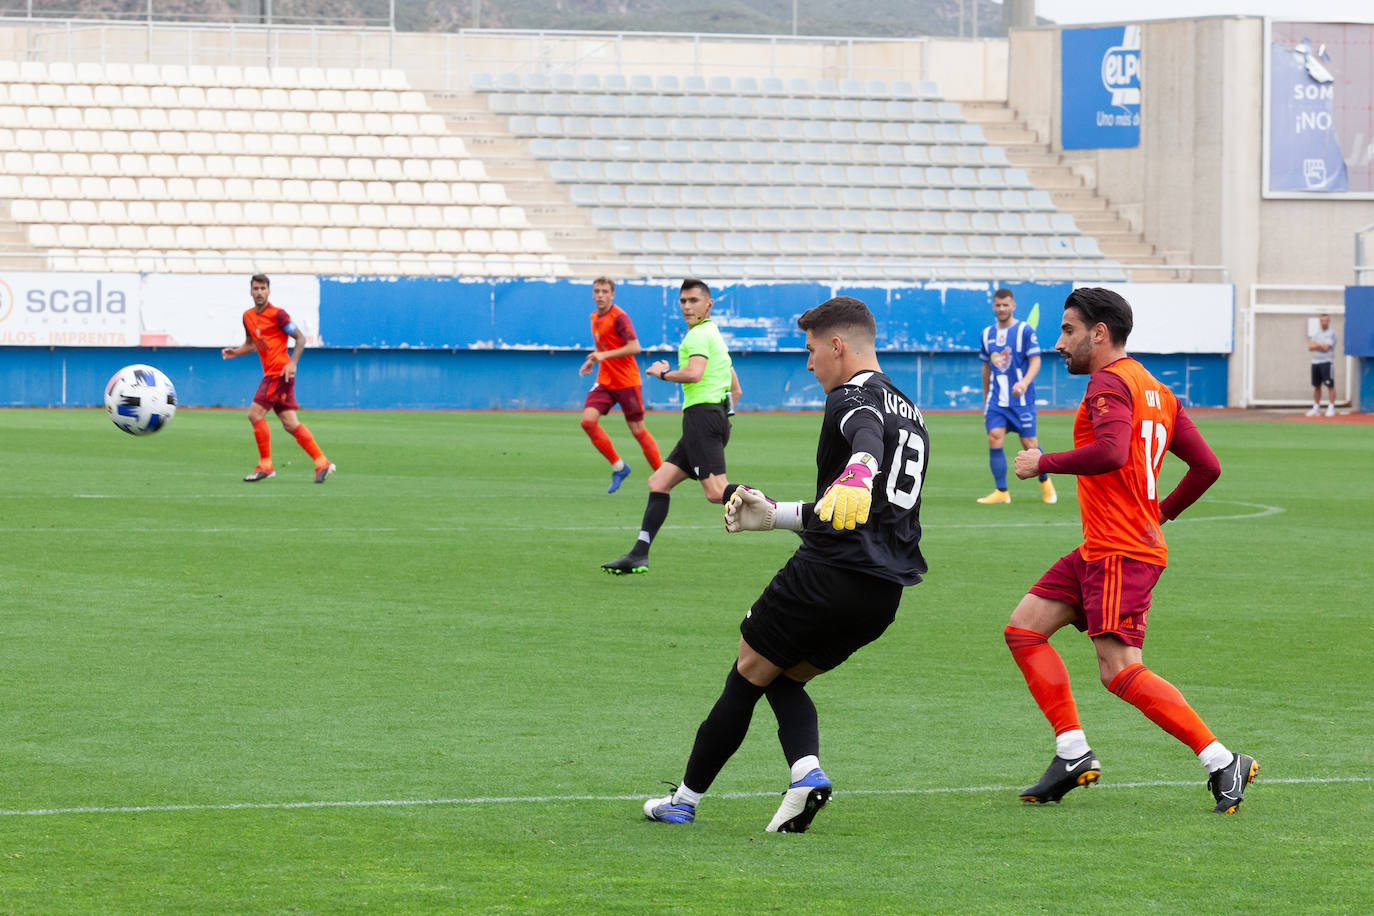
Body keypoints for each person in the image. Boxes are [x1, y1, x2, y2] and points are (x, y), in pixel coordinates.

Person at [642, 295, 929, 832]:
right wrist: (774, 516)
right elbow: (855, 513)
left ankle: (683, 800)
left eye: (812, 349)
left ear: (838, 346)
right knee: (783, 679)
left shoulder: (852, 398)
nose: (808, 361)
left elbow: (862, 432)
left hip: (824, 578)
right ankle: (806, 774)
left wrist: (862, 464)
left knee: (746, 674)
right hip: (881, 596)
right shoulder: (910, 410)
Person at [1003, 287, 1257, 814]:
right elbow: (1206, 467)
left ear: (1099, 333)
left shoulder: (1107, 381)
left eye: (1068, 330)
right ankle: (1072, 752)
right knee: (1024, 629)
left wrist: (1042, 462)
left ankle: (1220, 760)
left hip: (1121, 550)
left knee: (1118, 669)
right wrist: (1159, 513)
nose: (1059, 342)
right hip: (1106, 545)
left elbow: (1113, 451)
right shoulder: (1157, 390)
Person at [601, 279, 742, 575]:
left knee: (716, 491)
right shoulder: (713, 334)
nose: (688, 307)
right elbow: (735, 387)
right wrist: (720, 417)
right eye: (683, 301)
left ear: (709, 304)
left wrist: (662, 373)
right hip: (709, 418)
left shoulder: (697, 338)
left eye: (693, 301)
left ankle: (796, 519)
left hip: (701, 419)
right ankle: (639, 554)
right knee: (659, 482)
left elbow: (694, 373)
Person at [221, 273, 335, 484]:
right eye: (256, 288)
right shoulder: (247, 317)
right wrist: (235, 352)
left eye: (263, 288)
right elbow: (252, 343)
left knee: (255, 413)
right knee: (290, 424)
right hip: (273, 375)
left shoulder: (278, 315)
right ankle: (322, 462)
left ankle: (266, 465)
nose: (259, 292)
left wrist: (292, 363)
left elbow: (300, 338)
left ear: (269, 291)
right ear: (251, 291)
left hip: (279, 373)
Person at [578, 276, 663, 493]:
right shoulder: (594, 317)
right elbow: (604, 347)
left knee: (637, 430)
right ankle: (619, 467)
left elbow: (635, 347)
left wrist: (603, 355)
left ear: (612, 294)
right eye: (597, 291)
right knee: (587, 422)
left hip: (626, 381)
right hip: (605, 381)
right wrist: (592, 360)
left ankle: (663, 476)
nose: (600, 295)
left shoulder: (620, 318)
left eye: (605, 291)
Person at [977, 288, 1055, 505]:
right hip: (996, 400)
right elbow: (986, 368)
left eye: (1006, 305)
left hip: (1021, 400)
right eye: (998, 305)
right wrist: (986, 397)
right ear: (993, 306)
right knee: (994, 437)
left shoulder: (1025, 331)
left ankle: (1045, 481)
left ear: (1013, 306)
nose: (1001, 308)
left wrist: (1024, 382)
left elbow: (1036, 360)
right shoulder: (987, 334)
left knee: (1029, 443)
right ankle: (1001, 491)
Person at [1306, 312, 1338, 417]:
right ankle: (1316, 408)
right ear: (1320, 322)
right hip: (1316, 362)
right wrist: (1320, 345)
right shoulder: (1316, 334)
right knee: (1316, 386)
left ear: (1328, 321)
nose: (1324, 322)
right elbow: (1310, 347)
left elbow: (1326, 348)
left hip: (1327, 363)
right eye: (1322, 320)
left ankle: (1331, 408)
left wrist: (1317, 345)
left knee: (1330, 386)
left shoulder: (1332, 333)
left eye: (1326, 320)